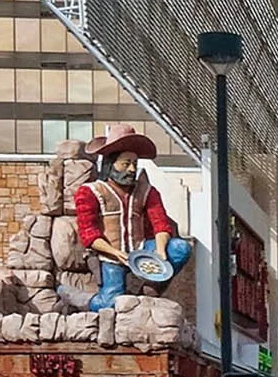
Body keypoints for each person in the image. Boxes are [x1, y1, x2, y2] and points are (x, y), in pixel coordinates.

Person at [71, 124, 192, 312]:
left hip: (142, 250)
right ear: (111, 164)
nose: (131, 169)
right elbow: (89, 233)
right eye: (125, 163)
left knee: (180, 248)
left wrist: (160, 253)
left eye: (134, 164)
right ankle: (85, 300)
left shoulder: (147, 192)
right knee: (110, 305)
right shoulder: (90, 191)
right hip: (110, 256)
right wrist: (115, 253)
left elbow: (161, 224)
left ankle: (150, 287)